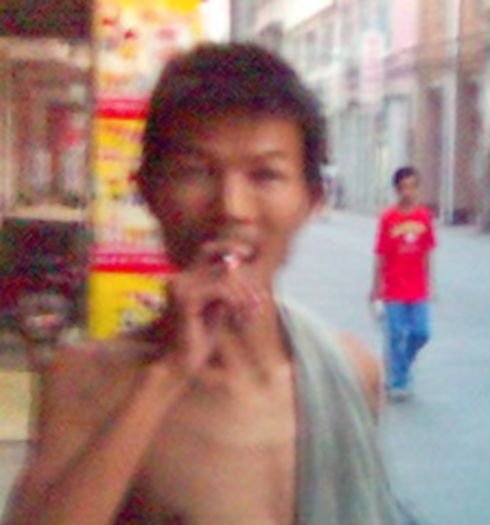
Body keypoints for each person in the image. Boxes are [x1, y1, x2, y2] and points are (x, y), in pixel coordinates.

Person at [3, 43, 402, 525]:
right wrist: (167, 374)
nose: (231, 207)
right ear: (148, 191)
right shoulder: (87, 380)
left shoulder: (350, 373)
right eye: (195, 172)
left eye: (266, 174)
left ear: (312, 198)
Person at [370, 167, 436, 402]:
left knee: (421, 333)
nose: (408, 192)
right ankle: (397, 381)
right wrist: (375, 287)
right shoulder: (388, 218)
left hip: (418, 288)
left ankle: (401, 365)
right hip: (394, 288)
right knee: (396, 334)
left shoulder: (424, 217)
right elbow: (381, 254)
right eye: (403, 187)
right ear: (397, 190)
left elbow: (427, 252)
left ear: (418, 189)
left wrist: (430, 283)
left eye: (412, 187)